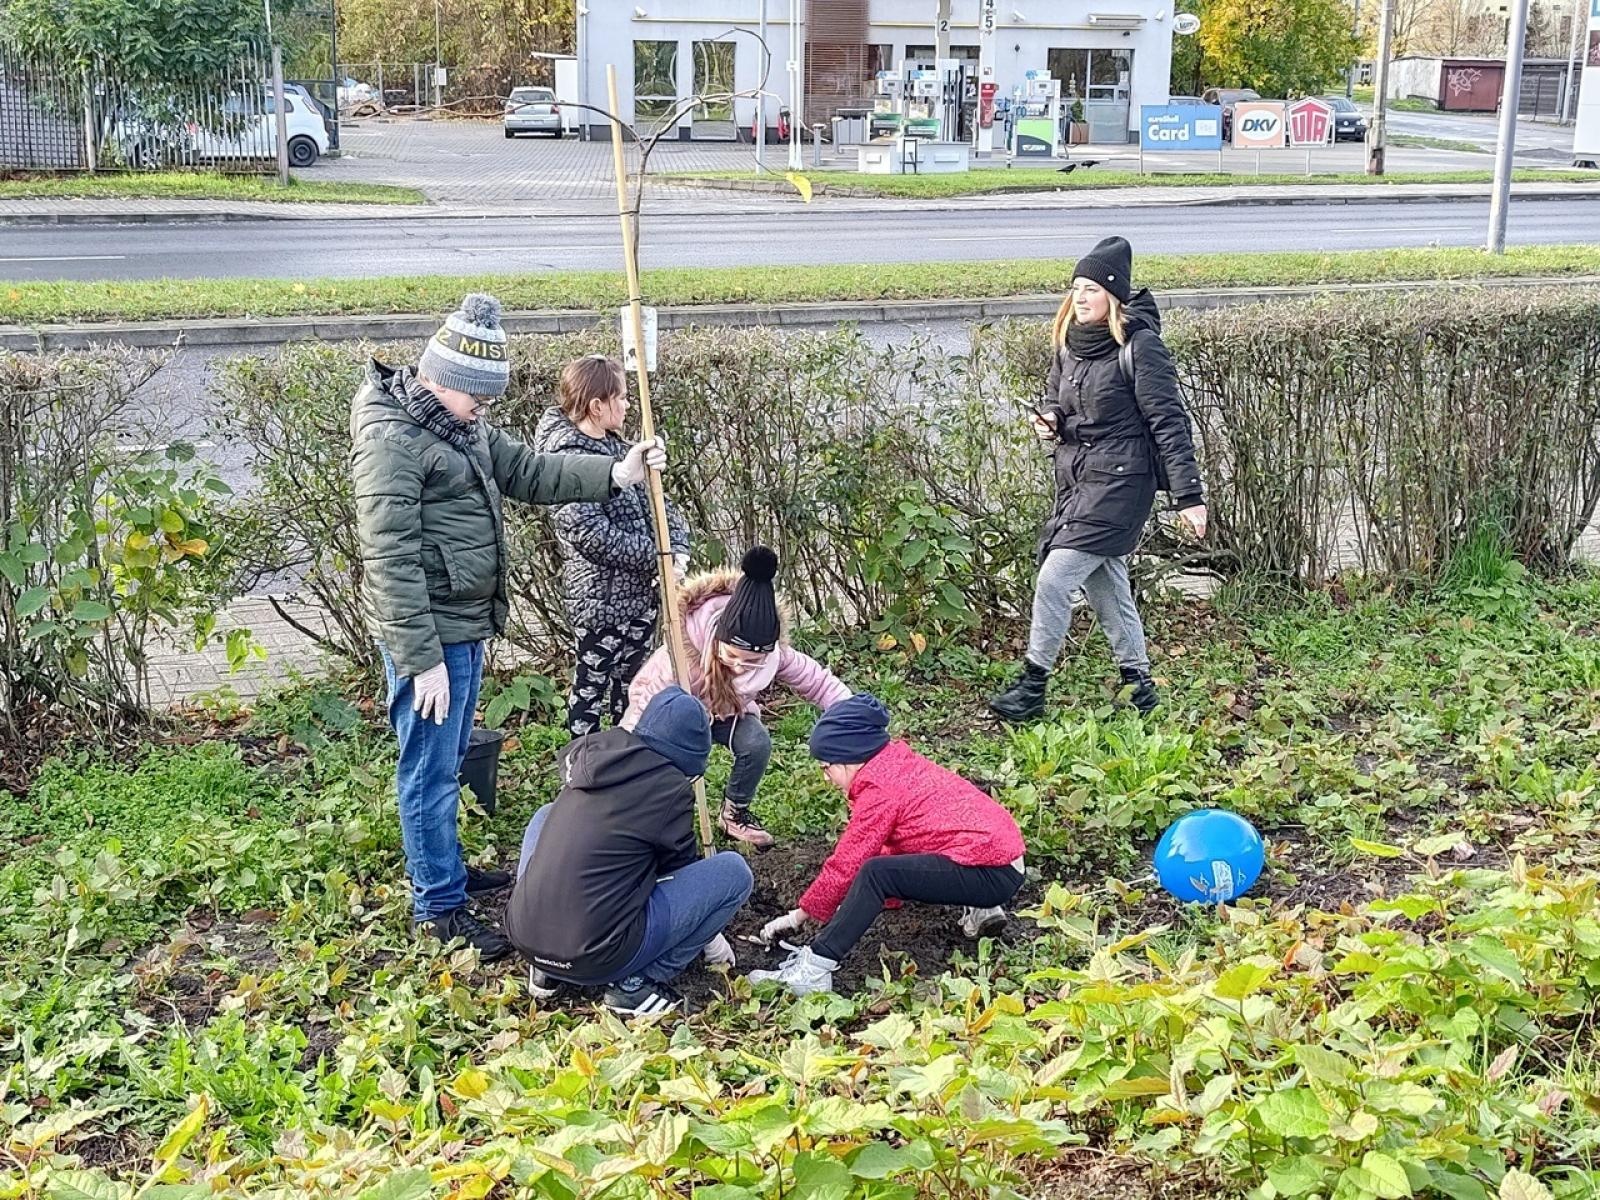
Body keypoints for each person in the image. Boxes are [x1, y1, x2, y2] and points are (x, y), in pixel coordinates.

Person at [350, 292, 666, 961]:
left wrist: (615, 472)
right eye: (479, 398)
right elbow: (389, 558)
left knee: (447, 762)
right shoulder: (393, 441)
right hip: (430, 636)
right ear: (442, 380)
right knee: (429, 771)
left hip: (462, 624)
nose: (485, 410)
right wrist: (421, 660)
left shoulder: (454, 424)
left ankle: (445, 870)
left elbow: (529, 470)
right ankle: (438, 907)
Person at [989, 236, 1207, 723]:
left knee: (1055, 577)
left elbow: (1169, 422)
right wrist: (1050, 419)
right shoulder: (1070, 345)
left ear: (1113, 295)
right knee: (1107, 583)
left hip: (1123, 485)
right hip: (1079, 481)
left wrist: (1189, 495)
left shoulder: (1140, 347)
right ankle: (1139, 688)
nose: (1080, 298)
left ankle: (1032, 687)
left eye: (1091, 289)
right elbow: (1056, 400)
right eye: (1076, 288)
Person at [748, 694, 1027, 997]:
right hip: (998, 857)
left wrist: (800, 915)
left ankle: (815, 968)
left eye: (826, 767)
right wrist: (865, 899)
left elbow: (848, 863)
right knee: (887, 869)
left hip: (992, 871)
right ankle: (980, 906)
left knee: (875, 873)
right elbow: (902, 843)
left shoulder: (879, 791)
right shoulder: (894, 763)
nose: (826, 778)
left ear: (849, 758)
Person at [503, 685, 754, 1017]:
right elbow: (678, 871)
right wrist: (709, 933)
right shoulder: (669, 788)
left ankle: (546, 969)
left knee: (546, 815)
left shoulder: (592, 753)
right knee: (734, 872)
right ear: (687, 758)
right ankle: (636, 985)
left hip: (525, 935)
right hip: (596, 954)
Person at [621, 546, 851, 849]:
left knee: (756, 743)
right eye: (732, 656)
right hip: (672, 723)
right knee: (671, 774)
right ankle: (655, 824)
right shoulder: (681, 656)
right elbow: (645, 705)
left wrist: (853, 715)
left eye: (752, 662)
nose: (740, 666)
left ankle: (734, 814)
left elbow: (819, 683)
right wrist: (630, 754)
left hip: (724, 714)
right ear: (718, 639)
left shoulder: (775, 655)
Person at [533, 354, 691, 739]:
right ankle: (582, 765)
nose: (627, 405)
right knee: (590, 690)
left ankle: (626, 760)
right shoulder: (566, 458)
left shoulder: (617, 448)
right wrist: (658, 556)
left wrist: (678, 548)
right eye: (620, 397)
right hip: (600, 602)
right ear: (597, 406)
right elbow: (590, 534)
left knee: (634, 690)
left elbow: (660, 504)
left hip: (638, 597)